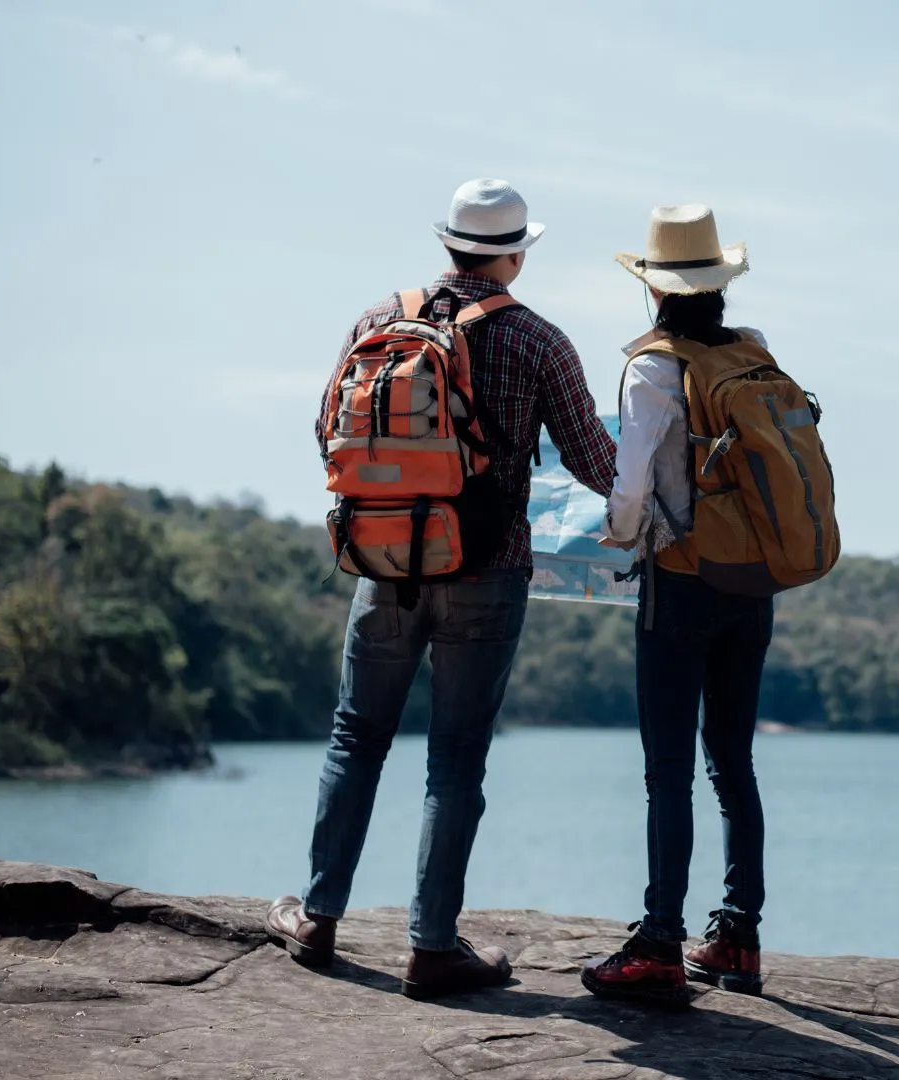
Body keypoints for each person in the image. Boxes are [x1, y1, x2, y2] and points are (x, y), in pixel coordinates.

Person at [265, 179, 621, 999]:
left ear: (450, 244)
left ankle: (317, 918)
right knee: (455, 761)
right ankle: (431, 947)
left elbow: (328, 428)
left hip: (385, 565)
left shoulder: (379, 319)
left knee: (357, 738)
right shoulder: (539, 341)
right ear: (515, 254)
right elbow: (598, 466)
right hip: (490, 569)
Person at [581, 205, 772, 1006]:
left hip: (682, 582)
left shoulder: (654, 368)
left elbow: (630, 494)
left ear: (654, 292)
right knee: (732, 762)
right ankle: (737, 937)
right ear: (718, 289)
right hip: (752, 583)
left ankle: (660, 943)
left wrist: (610, 537)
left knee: (668, 773)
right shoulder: (752, 354)